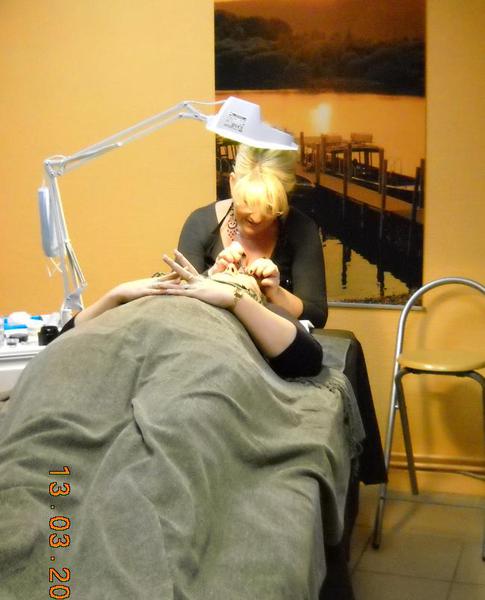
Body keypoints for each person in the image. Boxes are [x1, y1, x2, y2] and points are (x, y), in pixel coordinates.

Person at [60, 249, 323, 378]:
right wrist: (116, 295)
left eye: (243, 275)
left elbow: (306, 359)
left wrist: (234, 299)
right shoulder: (167, 289)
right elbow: (64, 341)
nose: (234, 269)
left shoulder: (255, 310)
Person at [178, 144, 328, 328]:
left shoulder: (301, 229)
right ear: (233, 183)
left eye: (269, 206)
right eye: (247, 201)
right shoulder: (200, 223)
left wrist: (275, 293)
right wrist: (213, 275)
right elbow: (180, 305)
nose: (256, 217)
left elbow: (317, 316)